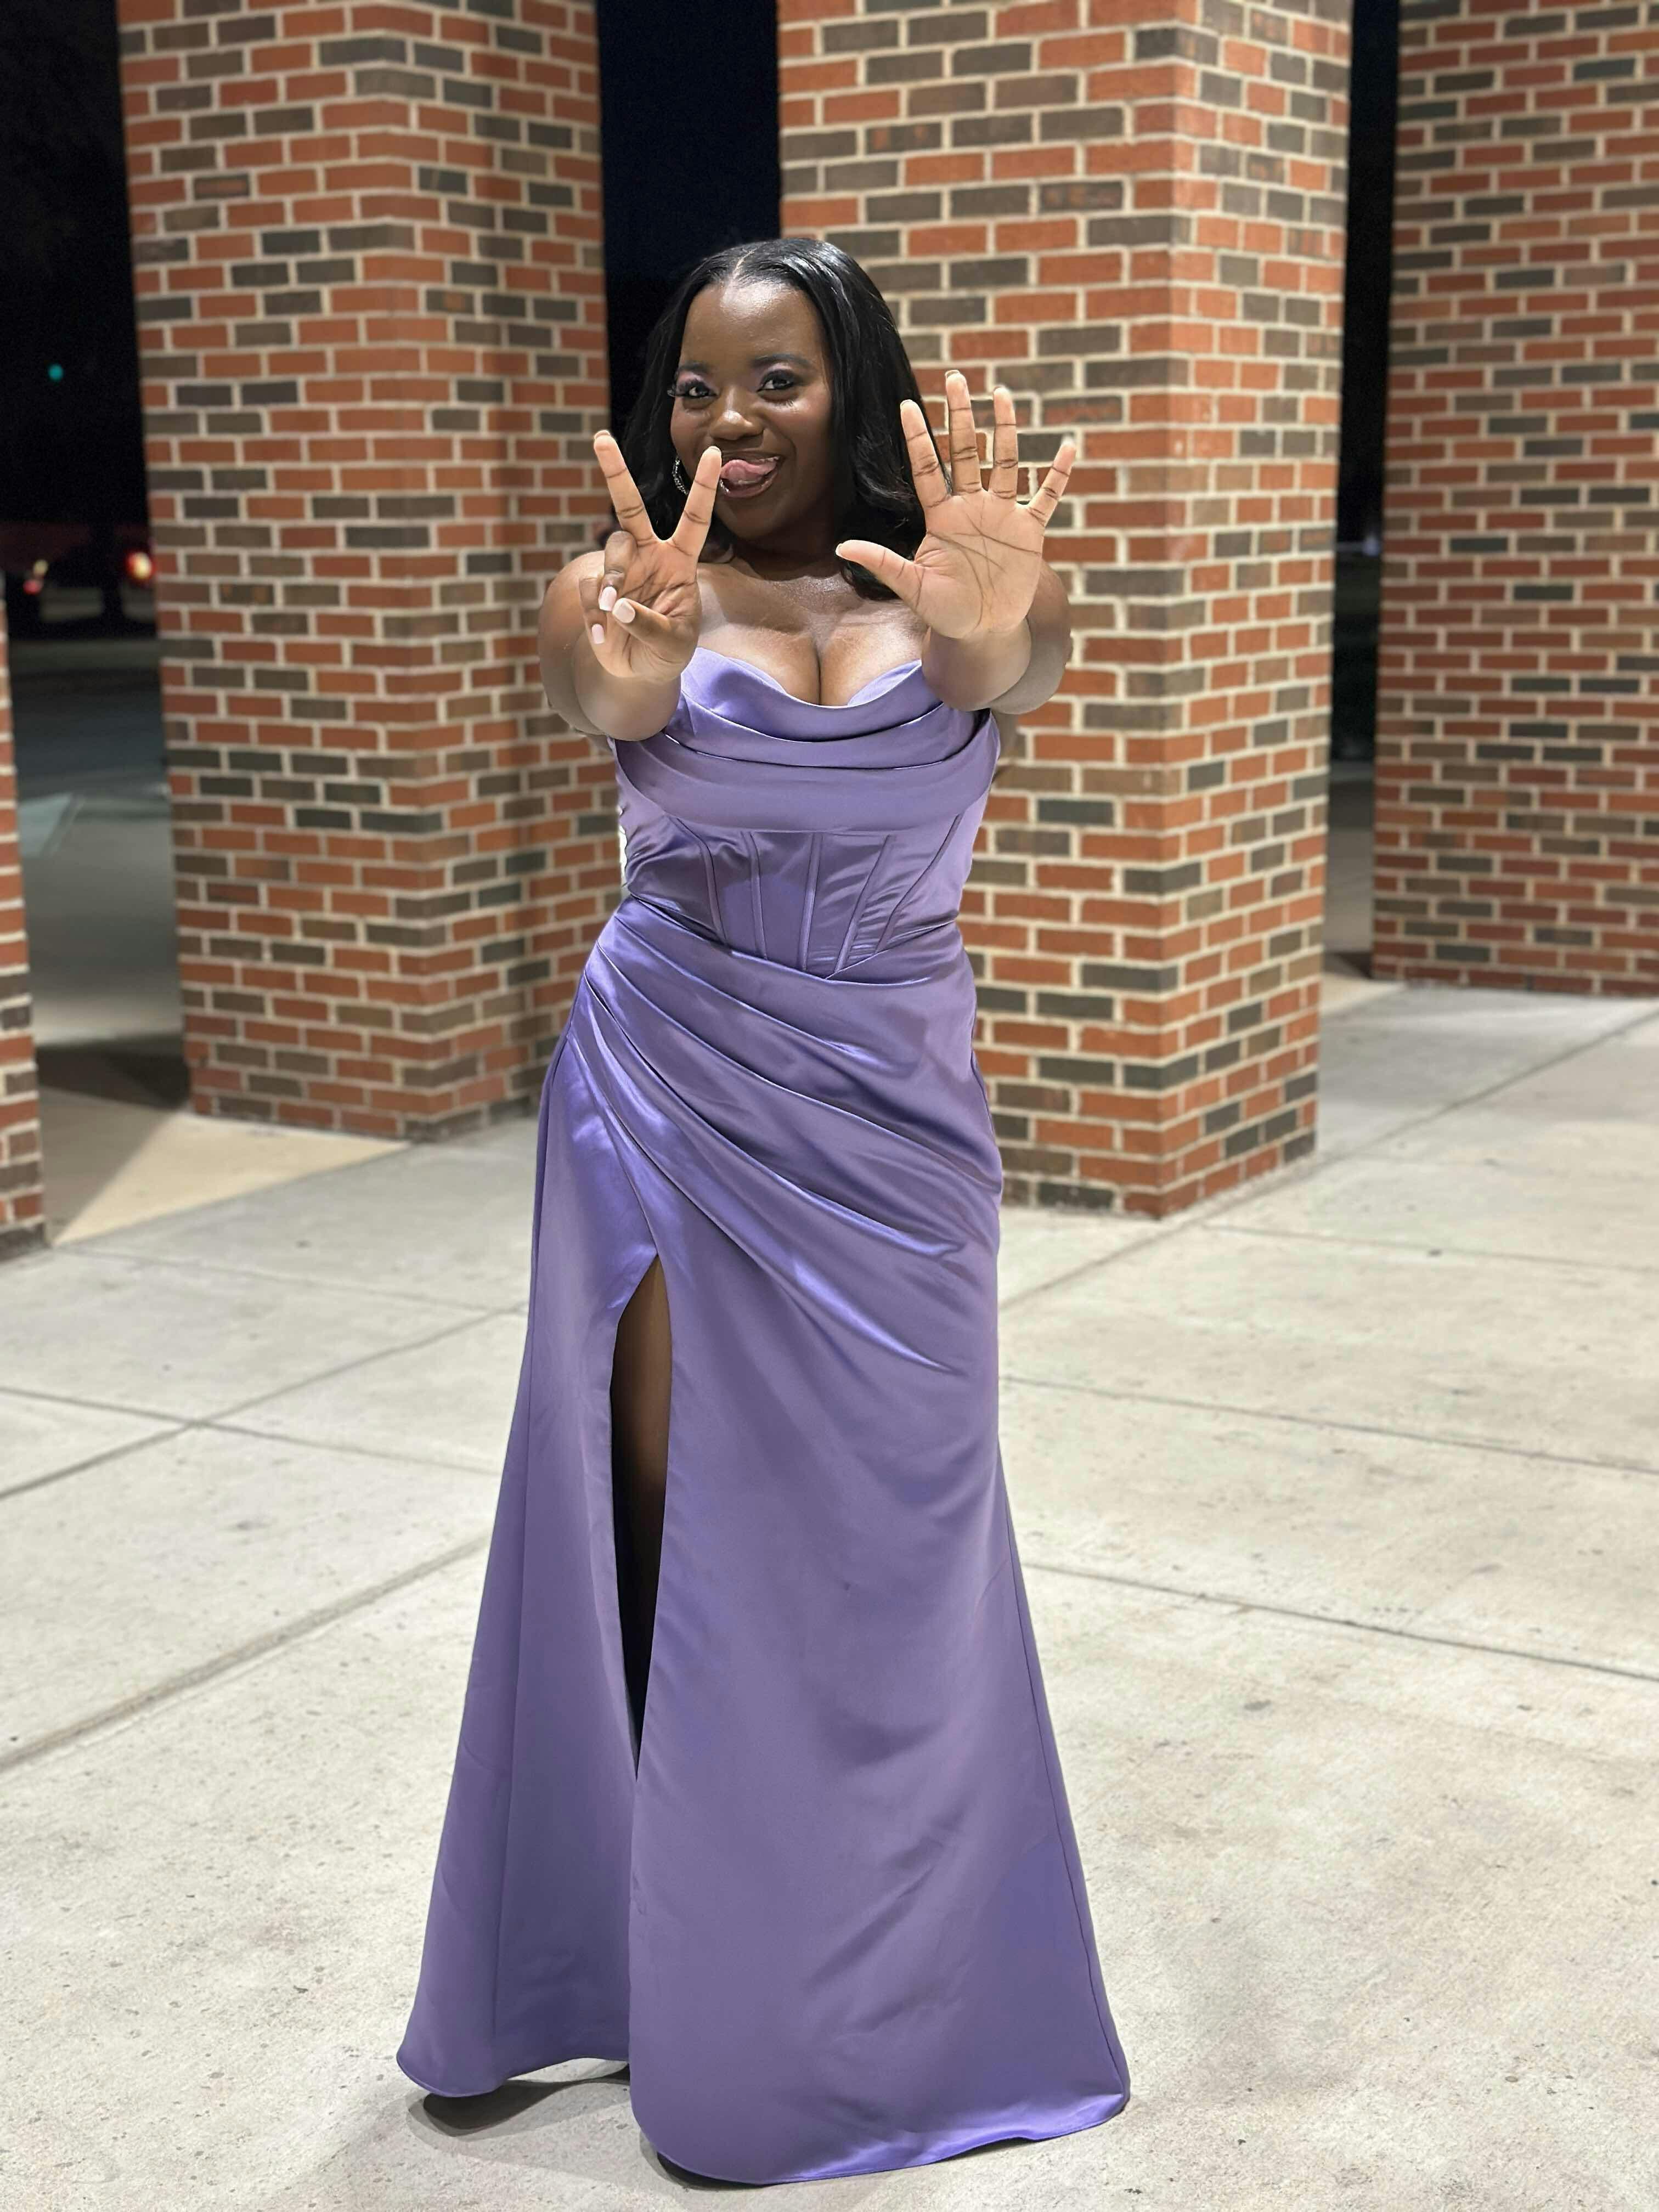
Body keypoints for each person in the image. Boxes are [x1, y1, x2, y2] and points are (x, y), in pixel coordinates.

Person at [396, 236, 1131, 2187]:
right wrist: (624, 652)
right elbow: (602, 686)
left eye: (778, 379)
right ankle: (691, 1989)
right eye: (699, 385)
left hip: (901, 1138)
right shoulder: (626, 589)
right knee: (689, 1535)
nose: (730, 420)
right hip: (673, 1097)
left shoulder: (958, 586)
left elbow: (1006, 669)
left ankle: (905, 2006)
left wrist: (996, 616)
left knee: (903, 1552)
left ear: (854, 385)